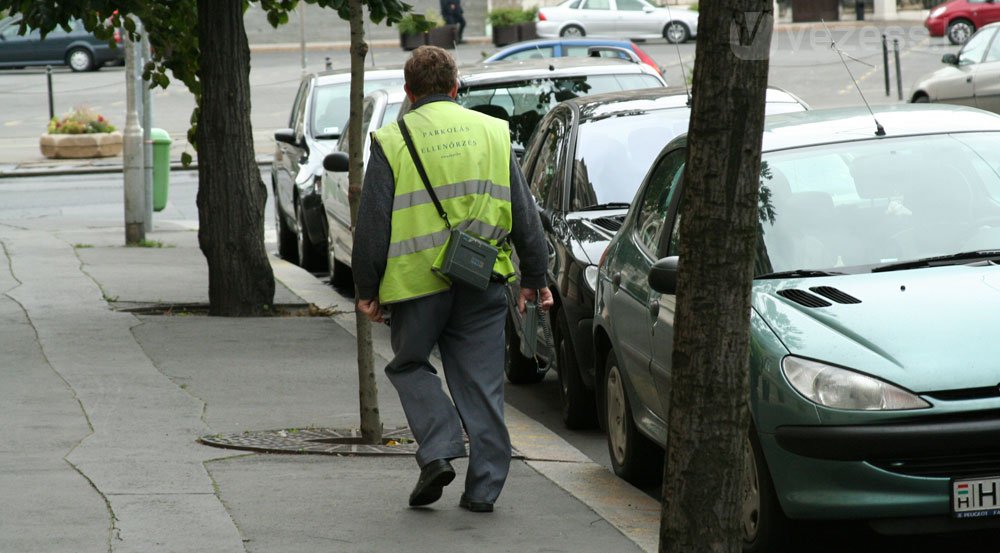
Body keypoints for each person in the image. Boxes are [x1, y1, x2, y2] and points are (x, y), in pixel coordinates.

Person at [352, 46, 553, 513]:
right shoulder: (492, 133)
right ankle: (483, 489)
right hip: (481, 278)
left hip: (415, 284)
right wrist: (534, 276)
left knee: (408, 365)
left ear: (408, 92)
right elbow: (524, 212)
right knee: (481, 384)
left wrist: (367, 289)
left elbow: (373, 224)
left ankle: (440, 448)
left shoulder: (392, 139)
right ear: (455, 87)